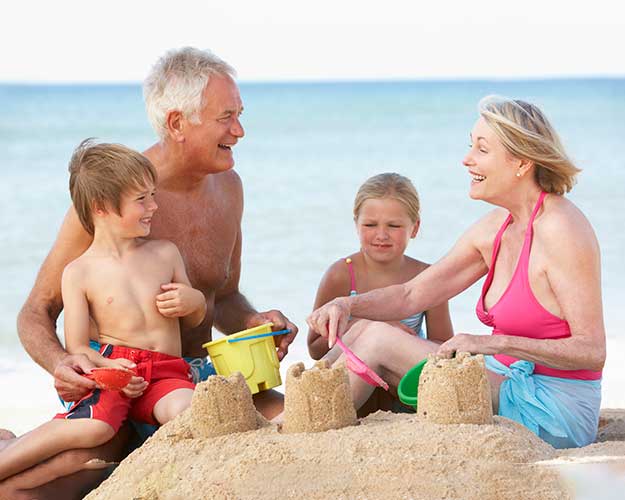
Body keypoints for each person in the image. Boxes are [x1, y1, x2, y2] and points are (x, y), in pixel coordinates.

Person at [3, 47, 297, 498]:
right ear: (178, 123)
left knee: (297, 424)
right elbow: (35, 311)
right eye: (226, 117)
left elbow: (227, 295)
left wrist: (256, 324)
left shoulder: (230, 189)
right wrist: (65, 363)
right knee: (30, 490)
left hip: (191, 384)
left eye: (239, 115)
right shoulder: (115, 200)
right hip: (121, 390)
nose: (239, 131)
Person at [308, 96, 605, 449]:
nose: (467, 160)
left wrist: (491, 343)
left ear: (521, 162)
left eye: (482, 149)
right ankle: (302, 415)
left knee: (376, 339)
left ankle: (310, 437)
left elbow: (592, 350)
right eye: (470, 146)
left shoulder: (561, 228)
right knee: (361, 333)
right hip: (503, 380)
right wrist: (346, 305)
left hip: (554, 407)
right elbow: (411, 295)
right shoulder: (495, 228)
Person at [0, 140, 206, 481]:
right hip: (115, 372)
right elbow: (78, 348)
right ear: (101, 208)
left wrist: (193, 301)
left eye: (153, 194)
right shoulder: (79, 272)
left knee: (188, 410)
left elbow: (194, 319)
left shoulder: (165, 254)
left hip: (167, 372)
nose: (154, 206)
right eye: (141, 199)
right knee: (94, 428)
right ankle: (7, 456)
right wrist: (112, 370)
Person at [307, 173, 453, 413]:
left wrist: (398, 342)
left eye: (394, 226)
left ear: (414, 227)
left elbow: (443, 346)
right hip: (353, 386)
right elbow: (315, 347)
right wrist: (362, 325)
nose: (381, 235)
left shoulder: (427, 277)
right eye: (370, 225)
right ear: (356, 224)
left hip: (400, 390)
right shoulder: (341, 274)